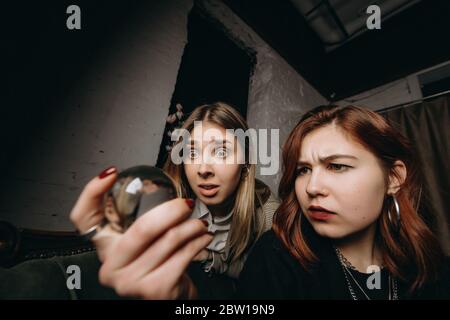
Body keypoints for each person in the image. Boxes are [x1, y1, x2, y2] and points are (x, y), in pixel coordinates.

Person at [70, 104, 449, 300]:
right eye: (301, 170)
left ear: (394, 178)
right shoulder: (279, 256)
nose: (313, 186)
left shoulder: (432, 269)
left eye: (336, 166)